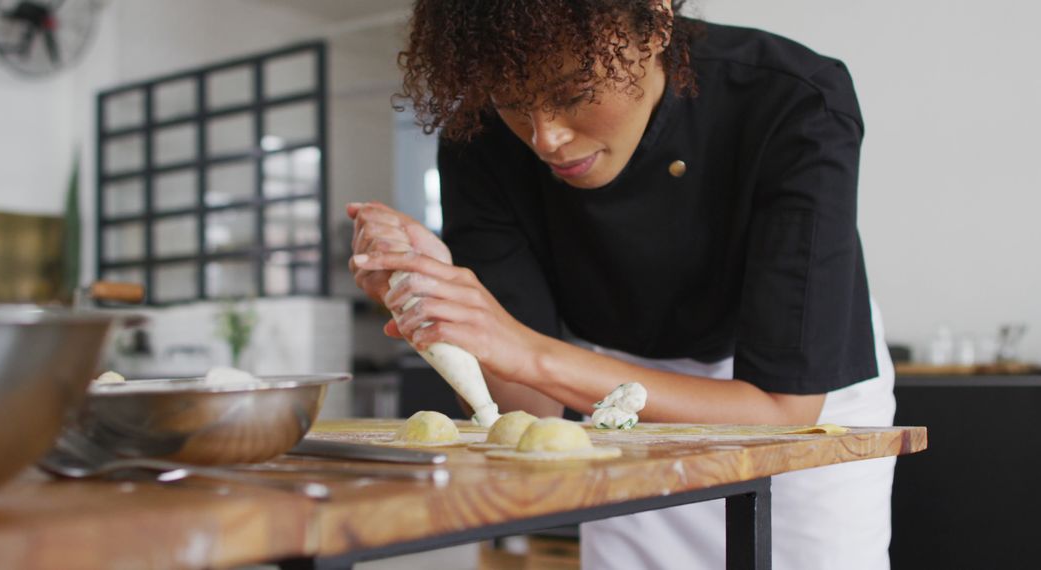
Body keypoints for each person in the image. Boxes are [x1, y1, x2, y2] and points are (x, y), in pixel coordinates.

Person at [348, 1, 896, 569]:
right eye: (512, 103)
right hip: (607, 392)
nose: (545, 138)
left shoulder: (792, 99)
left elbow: (784, 412)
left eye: (573, 93)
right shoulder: (482, 139)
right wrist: (438, 304)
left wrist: (528, 350)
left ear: (655, 24)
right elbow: (533, 406)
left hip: (796, 393)